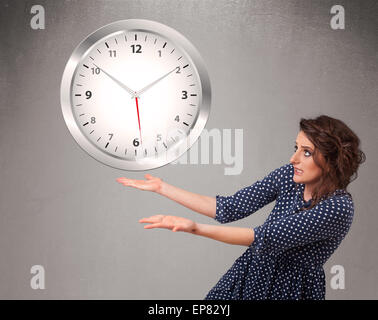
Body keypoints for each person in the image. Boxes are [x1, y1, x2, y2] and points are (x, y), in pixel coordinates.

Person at [116, 115, 365, 300]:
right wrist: (163, 188)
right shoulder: (289, 176)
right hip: (251, 272)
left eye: (307, 152)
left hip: (290, 290)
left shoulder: (338, 207)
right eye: (296, 148)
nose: (294, 158)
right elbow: (230, 207)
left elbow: (264, 238)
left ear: (332, 161)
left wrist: (193, 228)